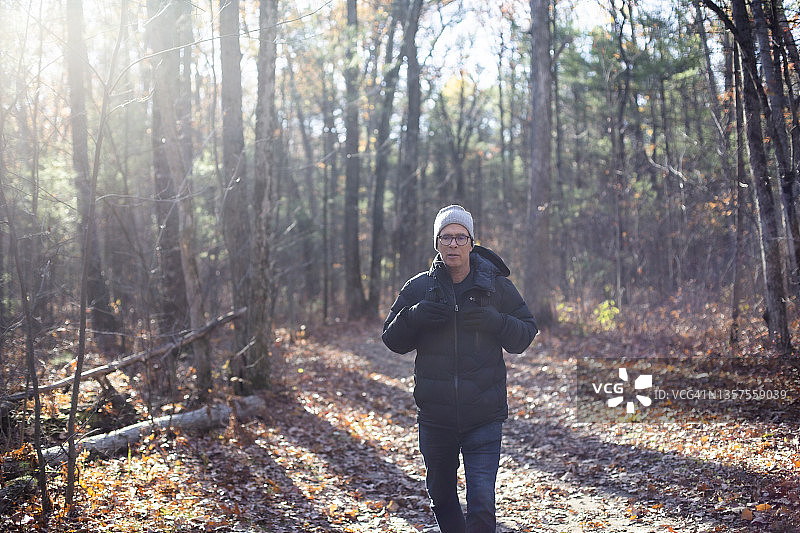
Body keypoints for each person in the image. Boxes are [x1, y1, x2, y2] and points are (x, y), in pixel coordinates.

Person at [382, 204, 538, 533]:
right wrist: (413, 316)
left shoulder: (495, 287)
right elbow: (391, 339)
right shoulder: (419, 288)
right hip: (435, 416)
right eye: (446, 237)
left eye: (460, 237)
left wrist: (498, 321)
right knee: (441, 494)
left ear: (471, 242)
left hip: (483, 414)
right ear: (436, 243)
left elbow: (524, 335)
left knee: (481, 499)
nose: (453, 244)